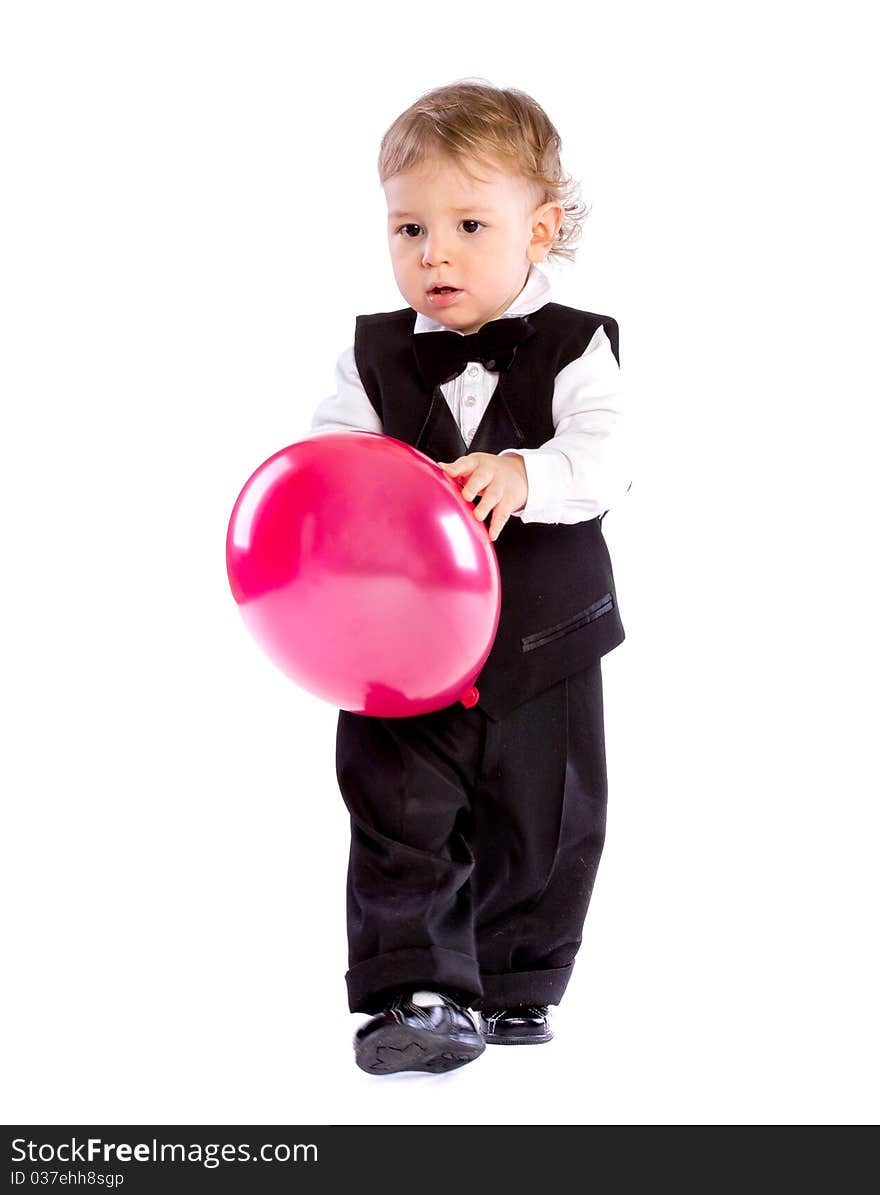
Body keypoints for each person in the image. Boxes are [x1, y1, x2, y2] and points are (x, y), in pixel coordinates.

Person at [309, 79, 632, 1075]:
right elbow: (329, 457)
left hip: (544, 638)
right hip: (402, 647)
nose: (432, 252)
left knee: (550, 815)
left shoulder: (576, 345)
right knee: (397, 809)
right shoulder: (373, 358)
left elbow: (608, 454)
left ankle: (516, 982)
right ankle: (417, 990)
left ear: (541, 230)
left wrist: (523, 471)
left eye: (466, 224)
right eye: (407, 226)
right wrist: (355, 499)